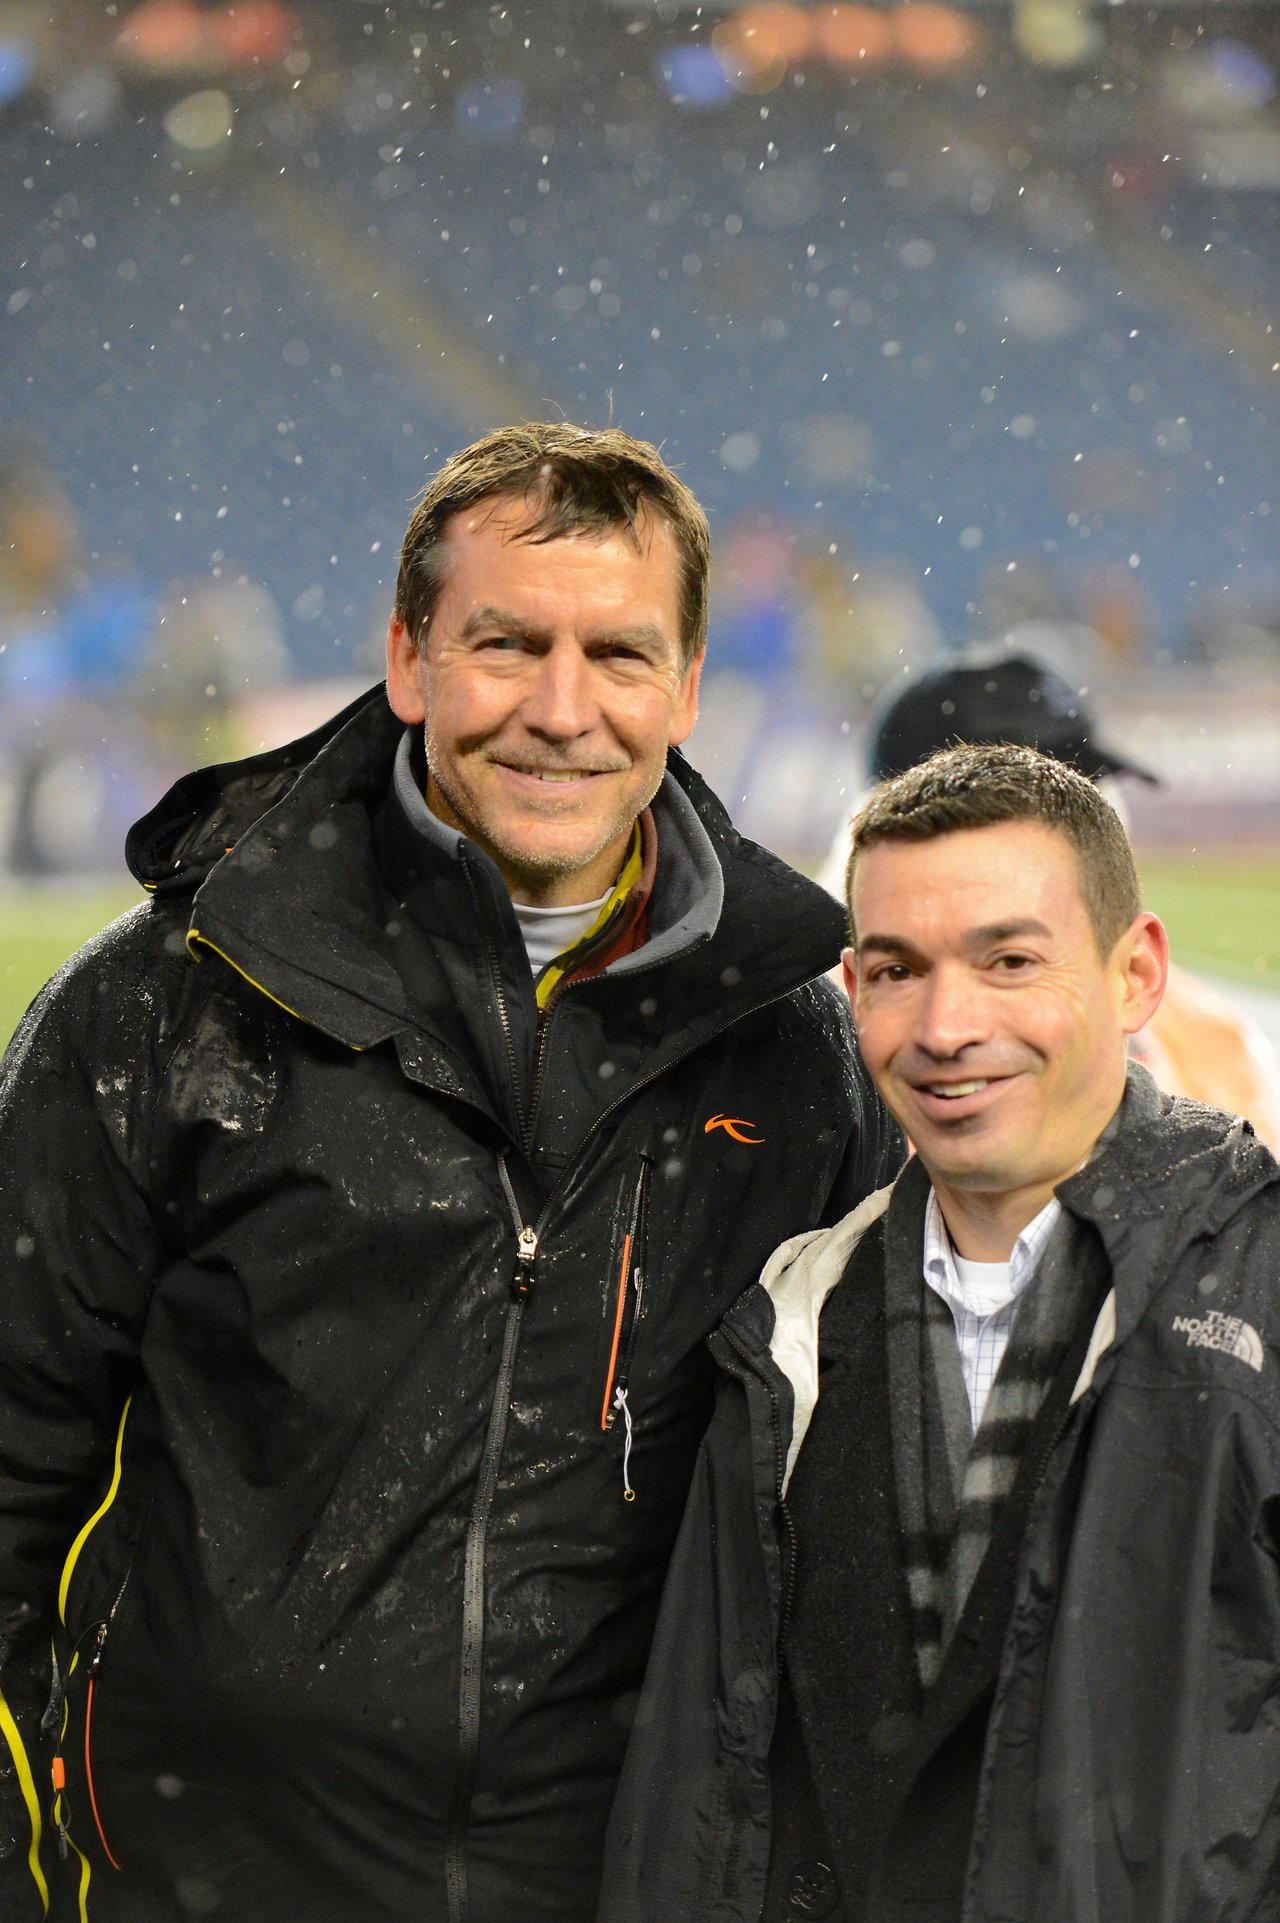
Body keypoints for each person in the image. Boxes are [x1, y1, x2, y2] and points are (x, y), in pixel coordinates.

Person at [0, 422, 899, 1923]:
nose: (562, 708)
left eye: (618, 653)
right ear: (409, 659)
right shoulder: (167, 1002)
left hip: (617, 1878)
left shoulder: (793, 1053)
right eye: (506, 643)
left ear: (686, 687)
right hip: (194, 1875)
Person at [603, 741, 1280, 1923]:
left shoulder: (1256, 1300)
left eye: (1007, 959)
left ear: (1135, 974)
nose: (945, 1025)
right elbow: (701, 1794)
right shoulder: (783, 1327)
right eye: (895, 970)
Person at [814, 649, 1280, 1151]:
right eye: (1046, 799)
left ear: (1140, 970)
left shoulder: (1215, 1040)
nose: (1098, 818)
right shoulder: (798, 1052)